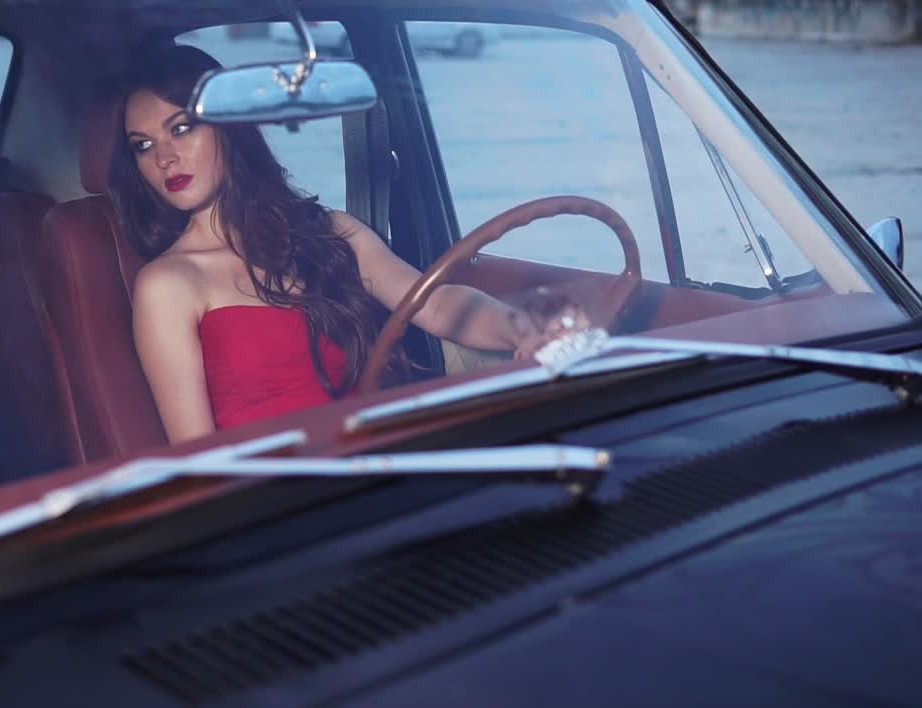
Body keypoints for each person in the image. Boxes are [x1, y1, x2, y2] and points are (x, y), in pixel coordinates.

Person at [109, 44, 586, 444]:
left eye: (181, 128)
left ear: (229, 126)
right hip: (288, 510)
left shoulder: (328, 232)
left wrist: (521, 329)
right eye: (143, 146)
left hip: (387, 463)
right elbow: (199, 458)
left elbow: (435, 304)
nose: (166, 158)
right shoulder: (167, 285)